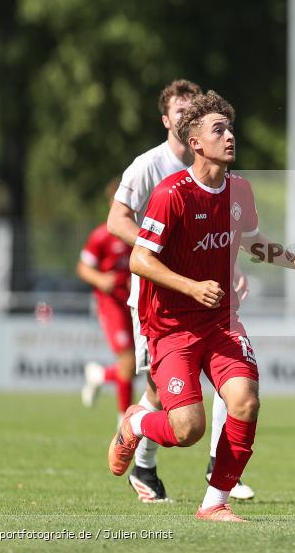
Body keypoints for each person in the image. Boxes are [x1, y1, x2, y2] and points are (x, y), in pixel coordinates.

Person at [107, 90, 295, 522]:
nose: (230, 136)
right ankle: (135, 424)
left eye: (230, 128)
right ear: (195, 142)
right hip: (171, 326)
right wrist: (191, 287)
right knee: (188, 429)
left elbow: (251, 241)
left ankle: (214, 502)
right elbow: (140, 259)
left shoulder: (240, 190)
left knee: (245, 401)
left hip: (221, 321)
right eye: (219, 130)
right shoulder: (171, 194)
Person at [104, 79, 252, 502]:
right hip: (159, 299)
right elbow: (117, 222)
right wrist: (168, 255)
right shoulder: (149, 166)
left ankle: (215, 468)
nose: (188, 114)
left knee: (234, 386)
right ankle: (144, 461)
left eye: (193, 108)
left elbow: (219, 231)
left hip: (206, 300)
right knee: (161, 392)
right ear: (169, 121)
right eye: (180, 110)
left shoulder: (221, 174)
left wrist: (229, 266)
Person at [78, 177, 135, 418]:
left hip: (133, 303)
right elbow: (83, 268)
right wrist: (101, 280)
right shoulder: (101, 235)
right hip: (110, 303)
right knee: (129, 361)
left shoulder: (135, 233)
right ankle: (124, 422)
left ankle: (99, 375)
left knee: (136, 365)